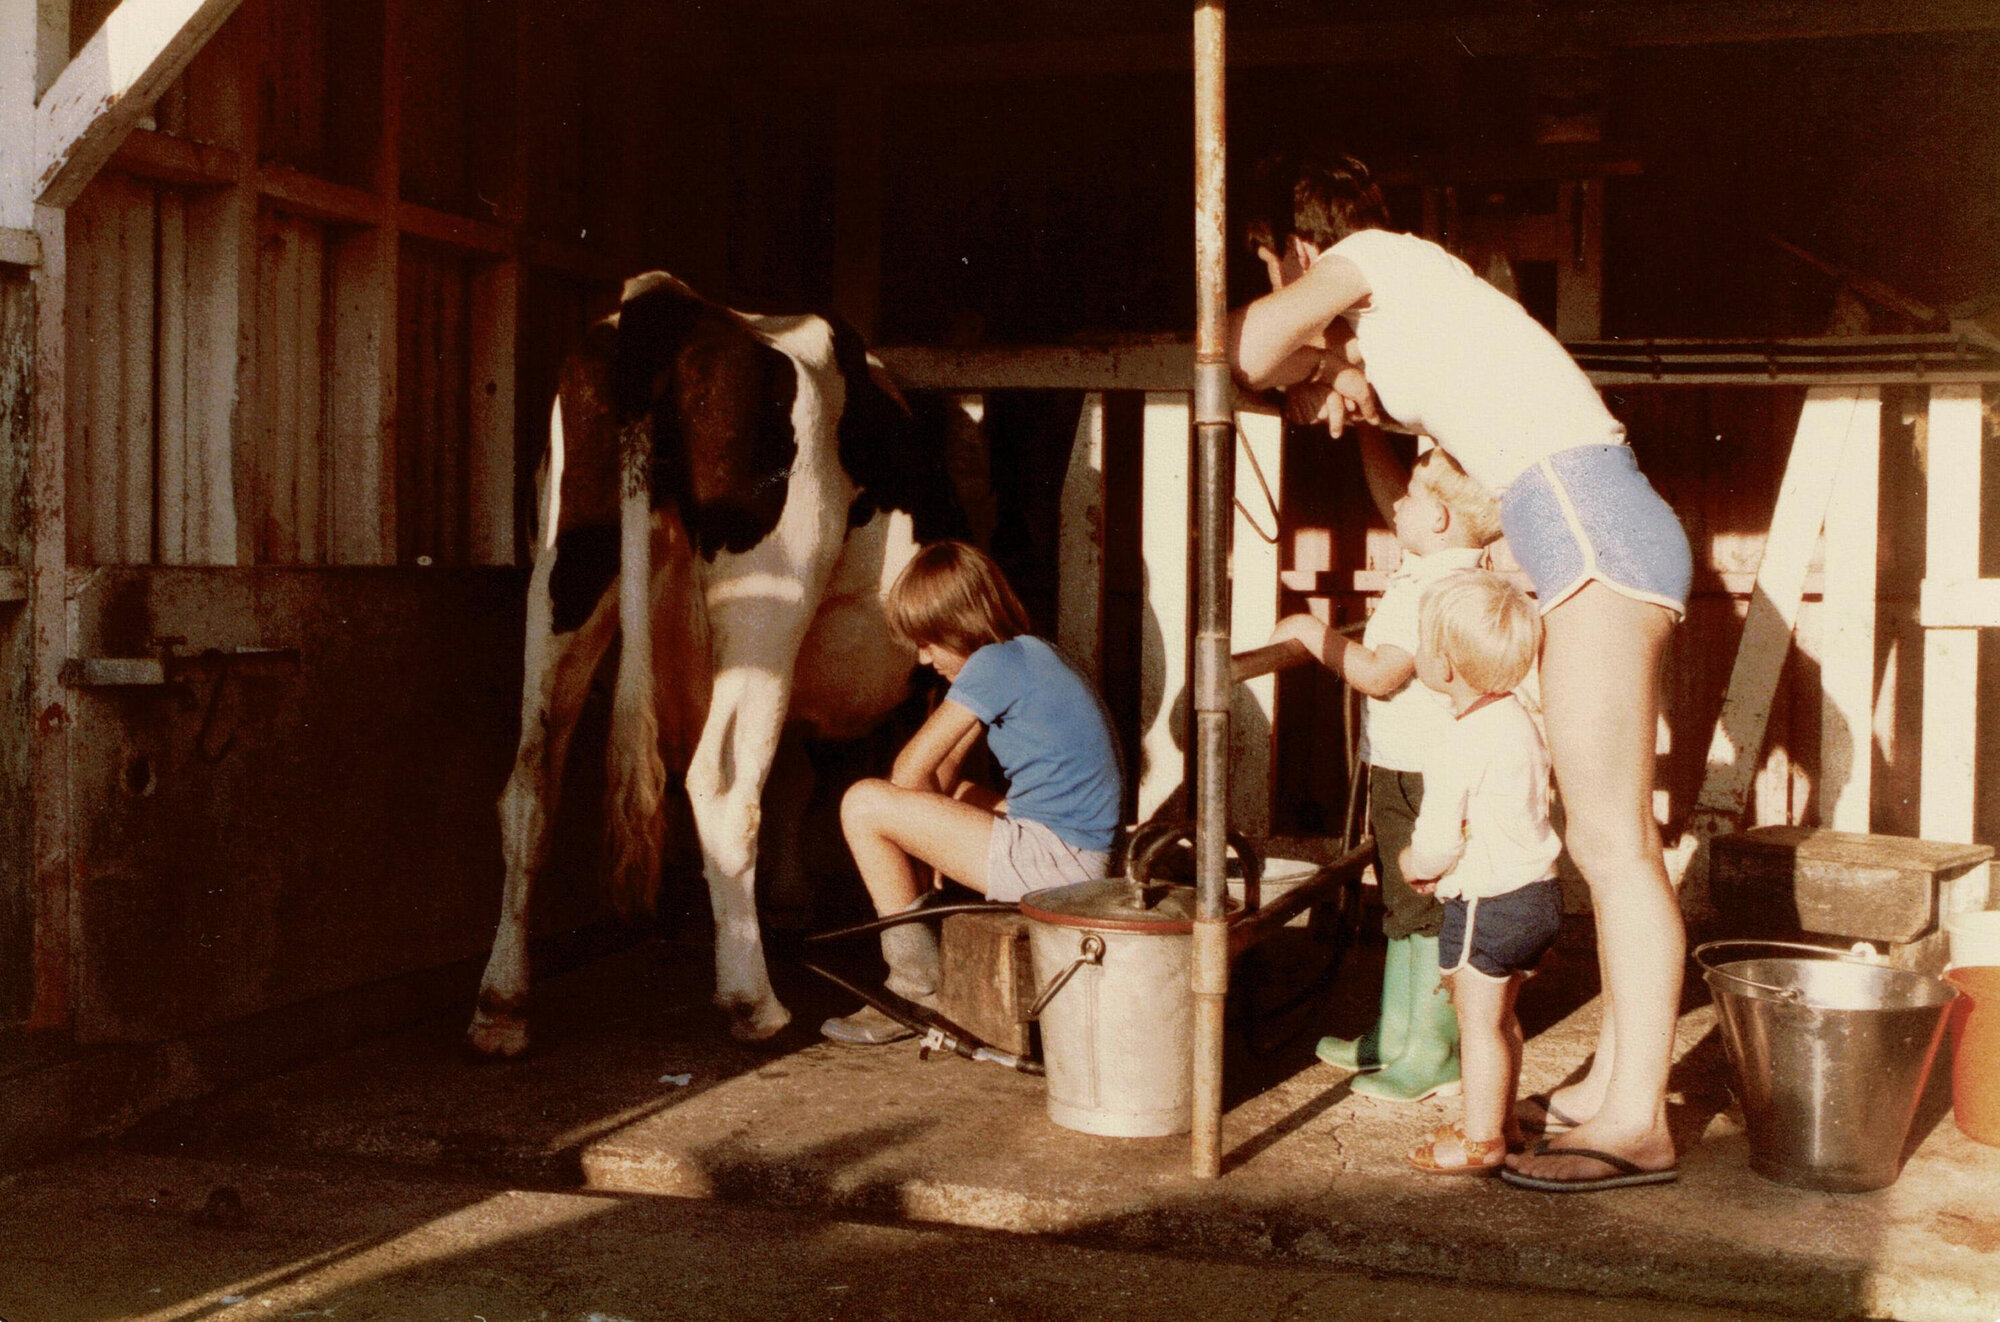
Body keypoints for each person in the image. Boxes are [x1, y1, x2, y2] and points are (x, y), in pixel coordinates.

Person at [1231, 153, 1692, 1191]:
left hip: (1590, 534)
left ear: (1298, 247)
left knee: (1614, 845)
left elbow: (1251, 350)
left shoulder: (1364, 254)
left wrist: (1283, 298)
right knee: (1603, 837)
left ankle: (1637, 1122)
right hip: (1593, 530)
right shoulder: (1416, 314)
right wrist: (1344, 375)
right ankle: (1610, 1082)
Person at [822, 540, 1125, 1045]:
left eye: (928, 642)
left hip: (1058, 864)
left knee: (864, 803)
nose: (922, 658)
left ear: (958, 626)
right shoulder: (1029, 654)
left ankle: (914, 986)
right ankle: (924, 955)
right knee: (954, 794)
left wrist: (920, 839)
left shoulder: (993, 666)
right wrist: (928, 837)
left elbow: (907, 770)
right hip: (1080, 856)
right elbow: (942, 774)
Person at [1269, 446, 1501, 1103]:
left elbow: (1378, 673)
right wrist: (1370, 434)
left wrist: (1314, 635)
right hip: (1423, 763)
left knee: (1424, 904)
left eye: (1413, 497)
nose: (1395, 503)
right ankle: (1395, 1034)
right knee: (1407, 901)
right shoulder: (1457, 567)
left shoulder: (1422, 586)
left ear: (1441, 521)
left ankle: (1431, 1051)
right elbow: (1399, 496)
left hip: (1416, 770)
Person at [1397, 571, 1567, 1175]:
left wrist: (1413, 866)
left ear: (1443, 666)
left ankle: (1480, 1140)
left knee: (1477, 1026)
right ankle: (1504, 1122)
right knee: (1503, 1019)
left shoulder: (1460, 740)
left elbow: (1438, 841)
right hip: (1539, 894)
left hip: (1489, 906)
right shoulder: (1519, 719)